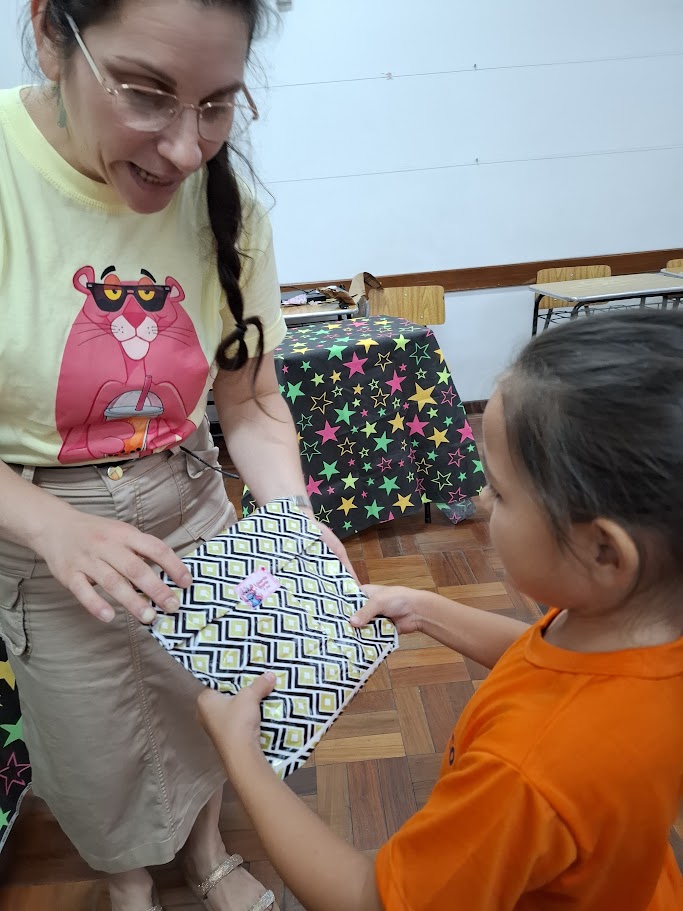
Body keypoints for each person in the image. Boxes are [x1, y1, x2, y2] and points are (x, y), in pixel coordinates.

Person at [0, 2, 350, 910]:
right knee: (88, 738)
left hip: (188, 496)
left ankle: (206, 853)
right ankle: (127, 883)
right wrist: (52, 527)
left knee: (207, 697)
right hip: (33, 521)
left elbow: (250, 401)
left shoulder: (229, 209)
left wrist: (290, 519)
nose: (188, 149)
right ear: (50, 35)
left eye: (218, 104)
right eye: (146, 93)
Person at [199, 308, 683, 911]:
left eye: (500, 491)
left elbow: (368, 899)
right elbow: (545, 663)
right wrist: (424, 608)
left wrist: (244, 758)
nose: (482, 500)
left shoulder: (523, 774)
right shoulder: (635, 631)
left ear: (605, 552)